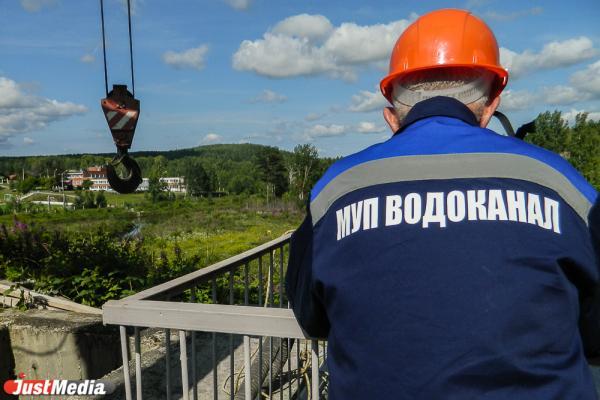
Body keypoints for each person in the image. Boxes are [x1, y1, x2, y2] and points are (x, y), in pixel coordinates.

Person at [285, 8, 600, 399]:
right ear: (491, 103)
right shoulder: (563, 184)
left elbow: (312, 319)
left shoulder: (335, 192)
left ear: (391, 116)